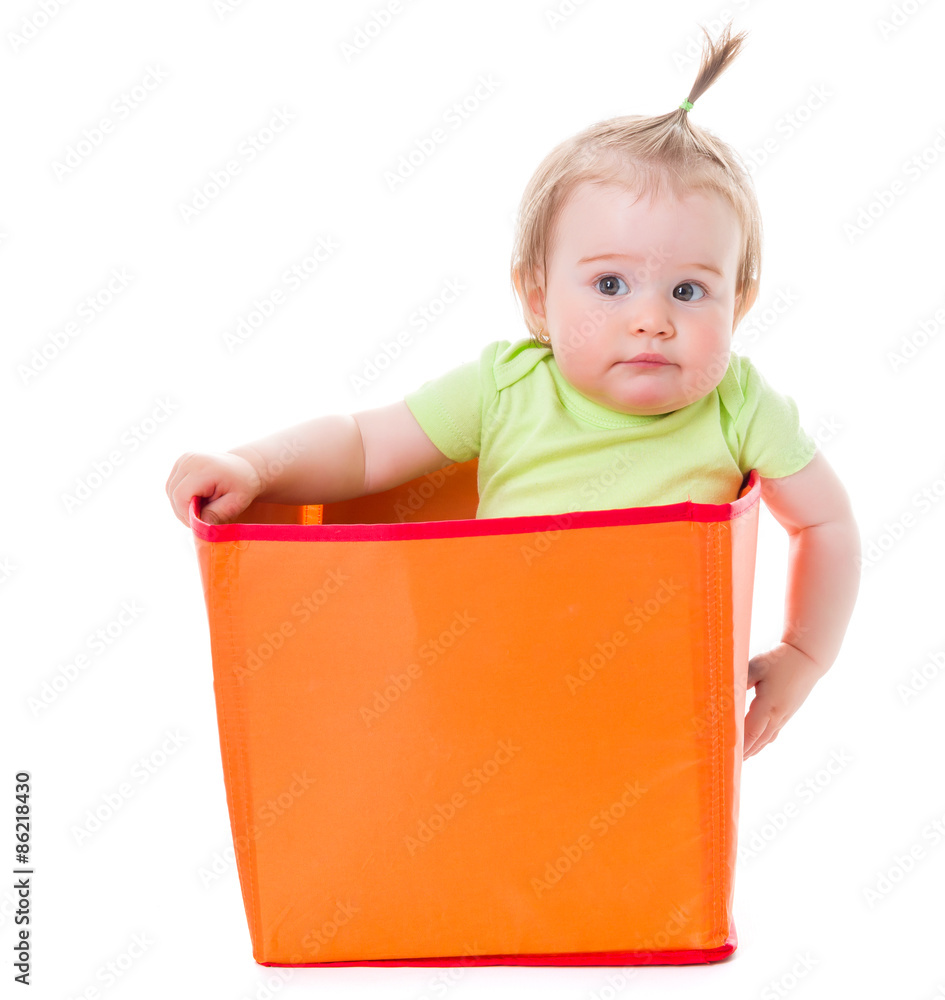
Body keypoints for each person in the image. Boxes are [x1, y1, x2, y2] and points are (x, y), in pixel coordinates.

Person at [166, 21, 861, 759]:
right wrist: (253, 468)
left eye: (689, 290)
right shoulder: (506, 389)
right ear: (537, 299)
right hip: (491, 715)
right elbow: (363, 445)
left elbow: (827, 526)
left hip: (659, 731)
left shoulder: (738, 405)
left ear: (739, 307)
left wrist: (802, 658)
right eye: (610, 284)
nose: (651, 320)